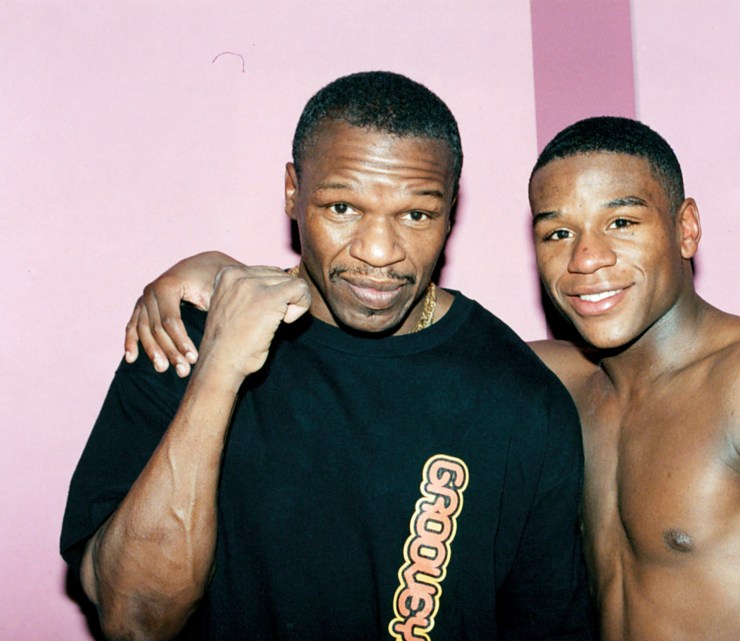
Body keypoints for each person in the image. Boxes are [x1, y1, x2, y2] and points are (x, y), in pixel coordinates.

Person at [126, 115, 740, 641]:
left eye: (621, 221)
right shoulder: (546, 385)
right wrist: (221, 275)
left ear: (685, 228)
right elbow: (382, 306)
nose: (586, 259)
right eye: (557, 231)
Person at [60, 71, 593, 641]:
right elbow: (134, 619)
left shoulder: (521, 400)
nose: (379, 252)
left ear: (450, 211)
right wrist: (219, 369)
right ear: (293, 191)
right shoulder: (183, 336)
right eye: (342, 207)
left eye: (416, 214)